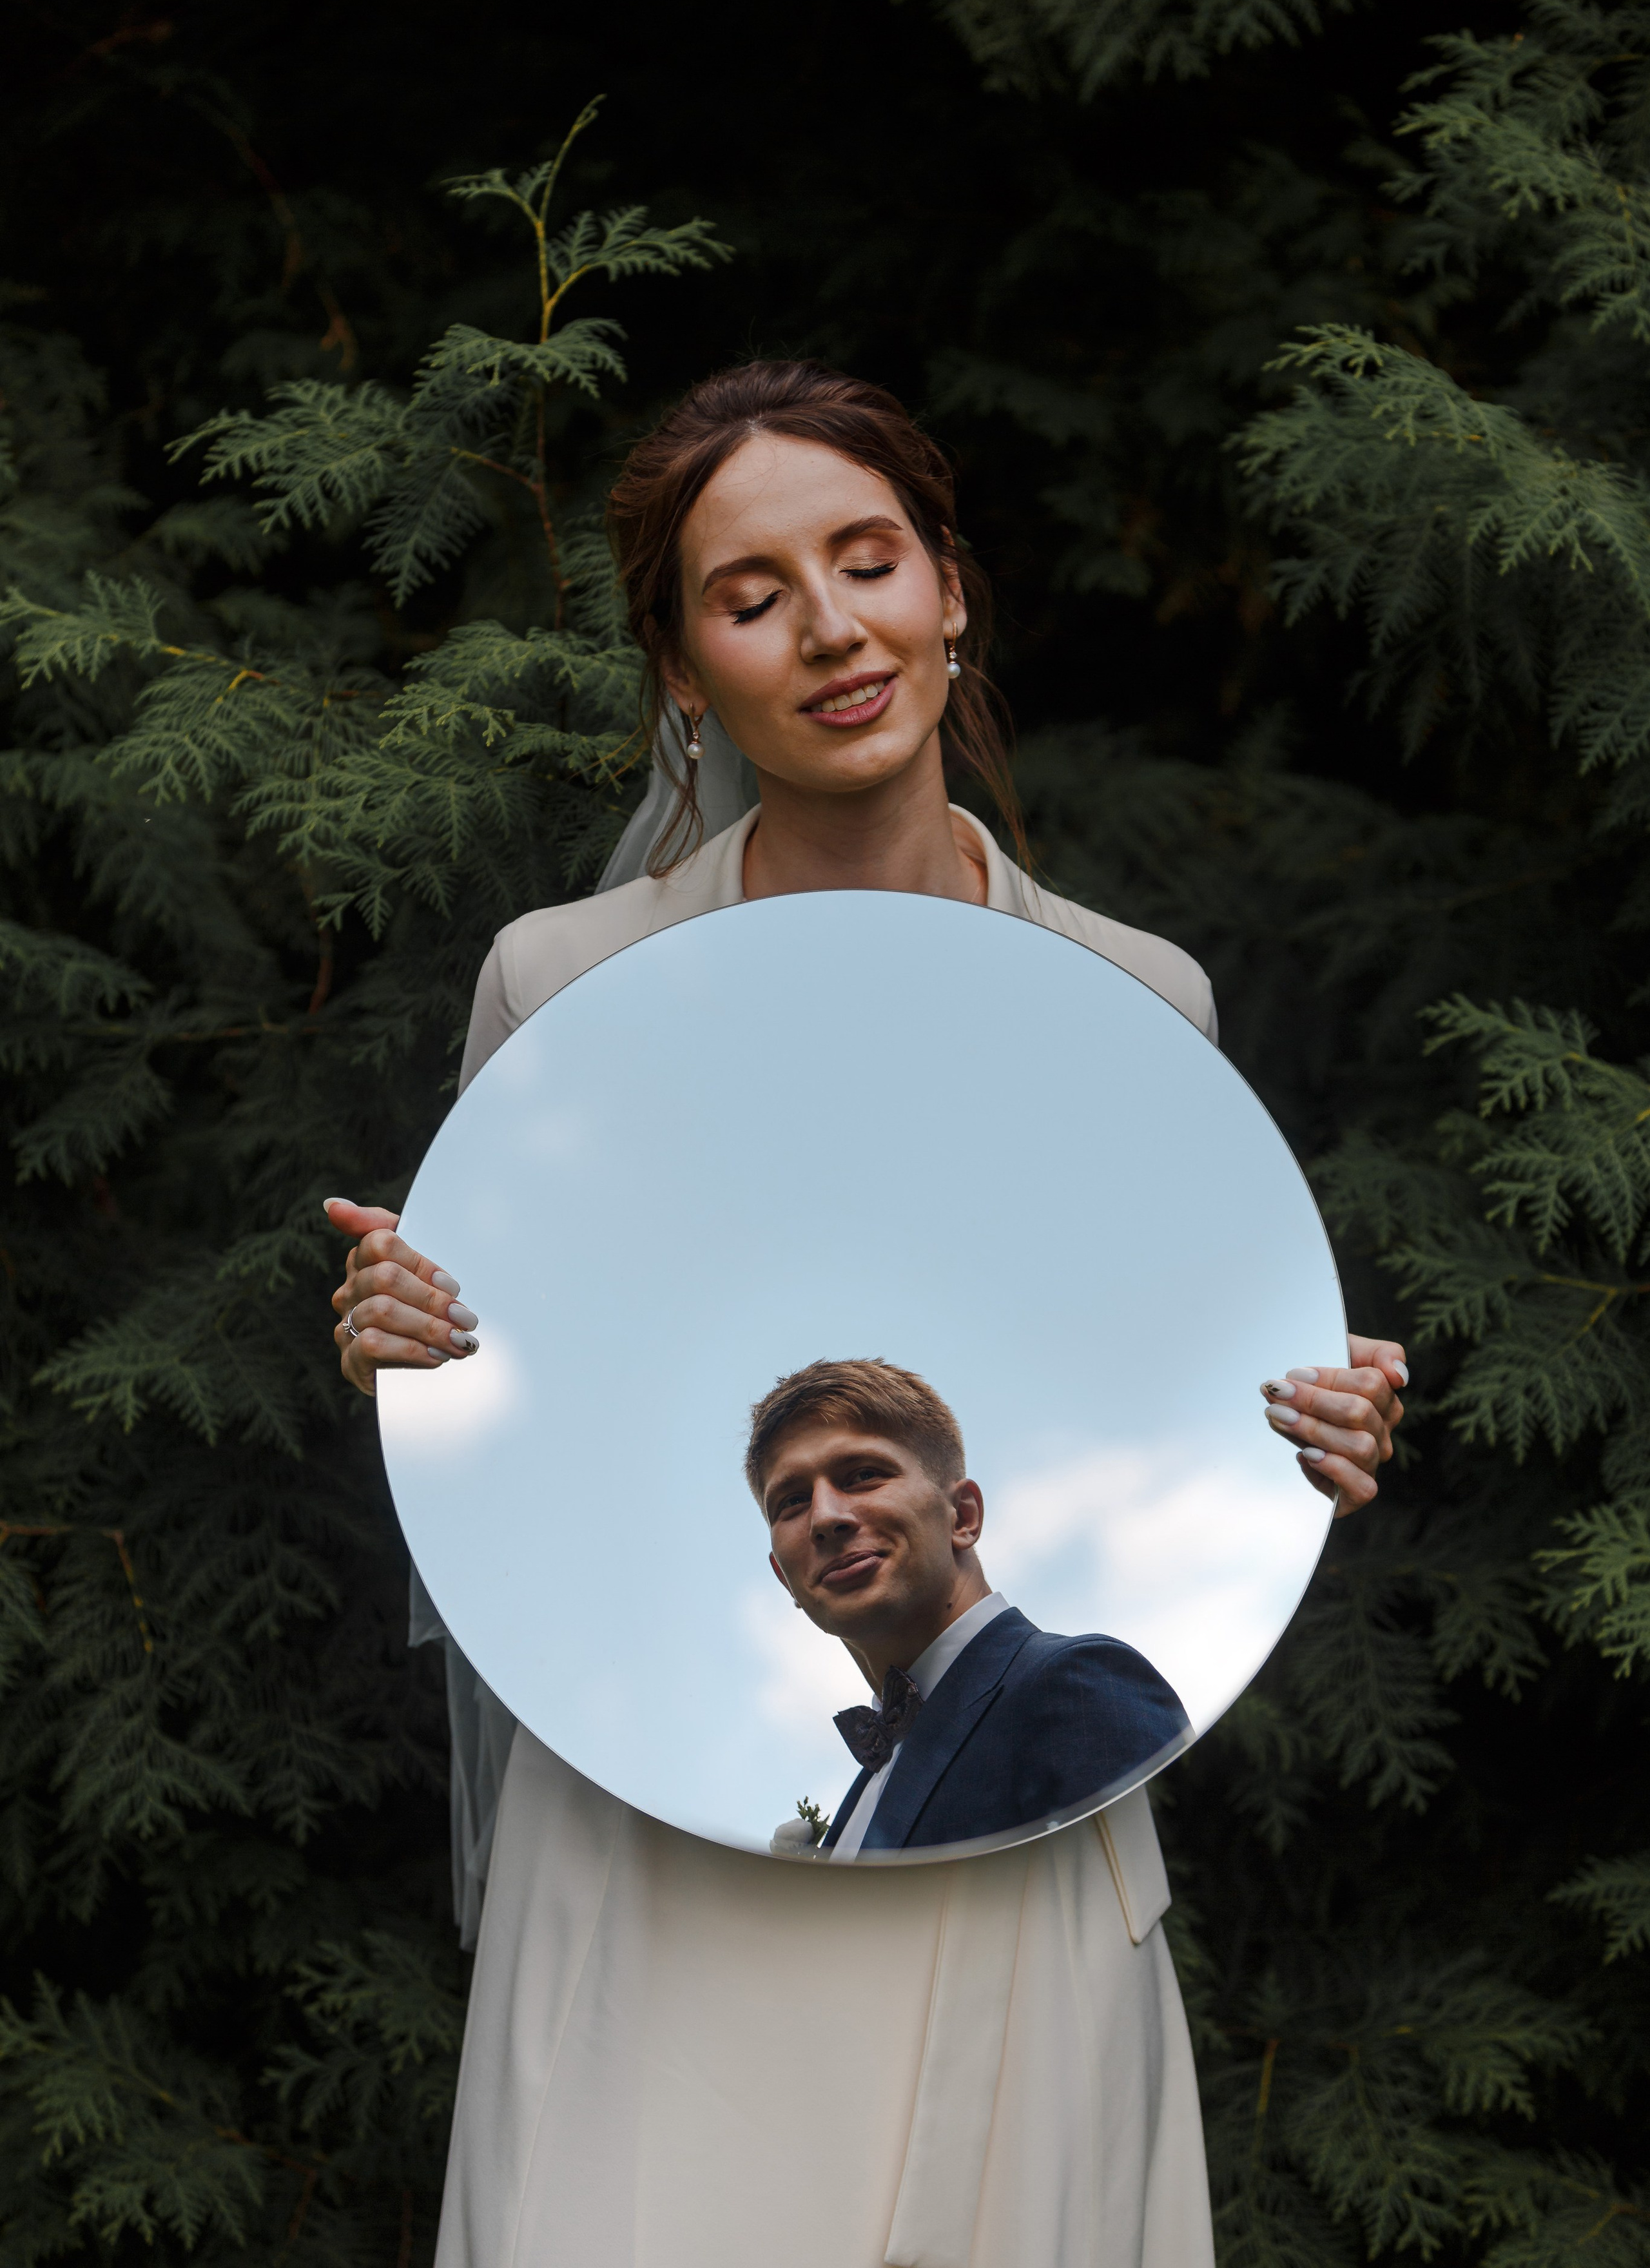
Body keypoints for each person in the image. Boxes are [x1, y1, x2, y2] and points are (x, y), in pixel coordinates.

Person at [326, 360, 1408, 2268]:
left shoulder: (1136, 1002)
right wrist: (411, 1342)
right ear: (682, 668)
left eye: (869, 559)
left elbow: (1148, 1402)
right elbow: (536, 1423)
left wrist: (1301, 1430)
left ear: (949, 591)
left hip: (1016, 1855)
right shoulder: (560, 979)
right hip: (657, 1828)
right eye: (752, 595)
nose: (830, 627)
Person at [750, 1357, 1189, 1857]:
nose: (825, 1518)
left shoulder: (1075, 1684)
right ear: (785, 1577)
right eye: (791, 1502)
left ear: (962, 1516)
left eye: (863, 1475)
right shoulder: (864, 1794)